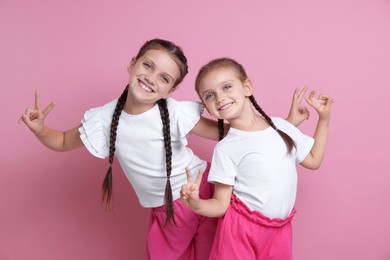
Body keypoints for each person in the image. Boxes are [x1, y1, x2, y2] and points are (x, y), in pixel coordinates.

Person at [20, 39, 308, 259]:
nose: (151, 78)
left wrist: (286, 127)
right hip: (168, 207)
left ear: (170, 90)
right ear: (132, 63)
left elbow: (235, 130)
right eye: (148, 66)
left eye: (164, 78)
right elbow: (61, 141)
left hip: (205, 192)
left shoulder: (174, 112)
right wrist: (40, 130)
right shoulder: (104, 118)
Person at [181, 57, 333, 259]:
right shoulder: (226, 148)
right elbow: (221, 204)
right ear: (207, 108)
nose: (219, 97)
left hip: (280, 230)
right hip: (240, 231)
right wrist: (196, 203)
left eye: (227, 87)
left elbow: (314, 160)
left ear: (247, 87)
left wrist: (324, 118)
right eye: (210, 95)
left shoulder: (281, 127)